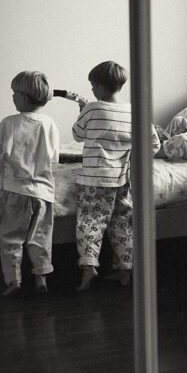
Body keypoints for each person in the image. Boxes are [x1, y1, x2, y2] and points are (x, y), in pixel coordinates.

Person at [70, 60, 160, 291]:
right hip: (122, 179)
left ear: (100, 86)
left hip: (95, 178)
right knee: (122, 222)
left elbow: (77, 135)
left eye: (92, 85)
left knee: (90, 221)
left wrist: (82, 111)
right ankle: (125, 270)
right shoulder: (135, 110)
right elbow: (154, 144)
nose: (92, 90)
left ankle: (89, 266)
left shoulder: (92, 108)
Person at [0, 70, 60, 296]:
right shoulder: (50, 124)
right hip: (43, 192)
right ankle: (41, 278)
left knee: (11, 238)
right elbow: (53, 158)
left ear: (25, 97)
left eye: (15, 93)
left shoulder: (9, 123)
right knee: (40, 238)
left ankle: (14, 281)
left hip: (15, 190)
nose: (12, 97)